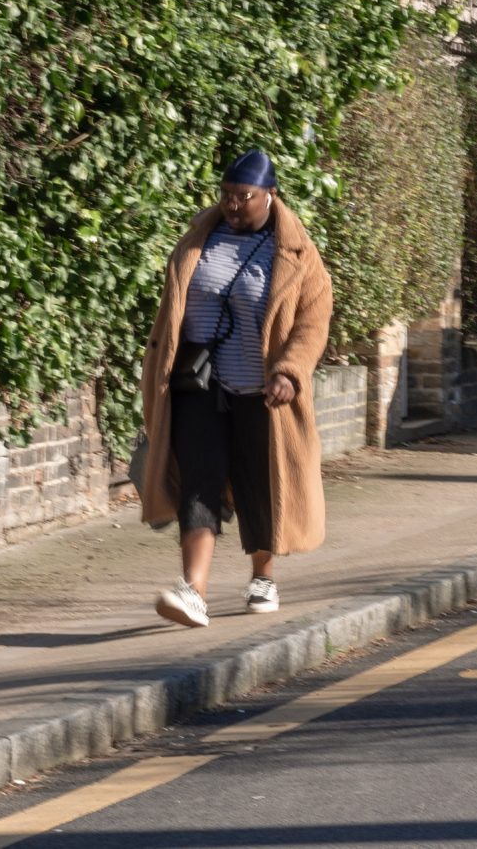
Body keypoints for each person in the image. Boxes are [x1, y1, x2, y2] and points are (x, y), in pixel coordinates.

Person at [140, 148, 333, 628]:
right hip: (197, 386)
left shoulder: (297, 255)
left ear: (270, 195)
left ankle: (262, 576)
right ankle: (194, 592)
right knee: (198, 484)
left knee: (259, 485)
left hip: (262, 392)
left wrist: (290, 371)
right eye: (225, 195)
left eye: (242, 197)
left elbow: (313, 321)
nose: (231, 205)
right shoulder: (198, 240)